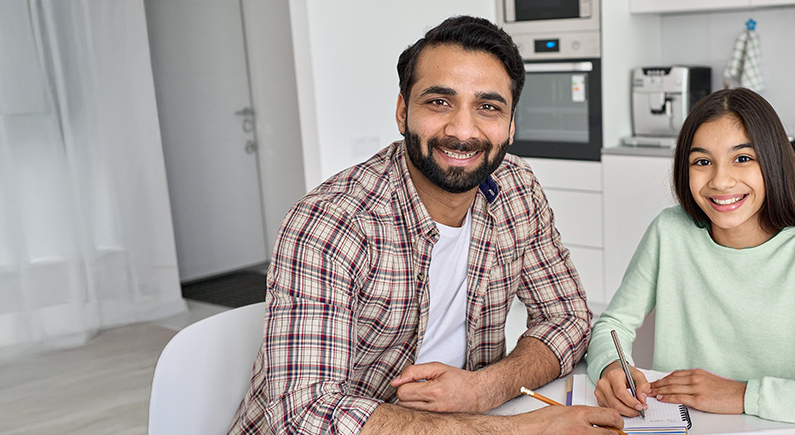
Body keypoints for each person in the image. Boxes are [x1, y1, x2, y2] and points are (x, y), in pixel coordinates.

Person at [228, 16, 622, 435]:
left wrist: (484, 390)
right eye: (439, 102)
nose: (462, 131)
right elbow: (302, 414)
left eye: (488, 107)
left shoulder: (516, 190)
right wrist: (521, 430)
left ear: (510, 127)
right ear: (403, 112)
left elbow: (568, 318)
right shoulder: (331, 223)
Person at [587, 88, 795, 424]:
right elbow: (612, 324)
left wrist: (743, 394)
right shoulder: (670, 232)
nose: (721, 180)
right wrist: (610, 365)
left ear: (773, 163)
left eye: (742, 158)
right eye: (702, 162)